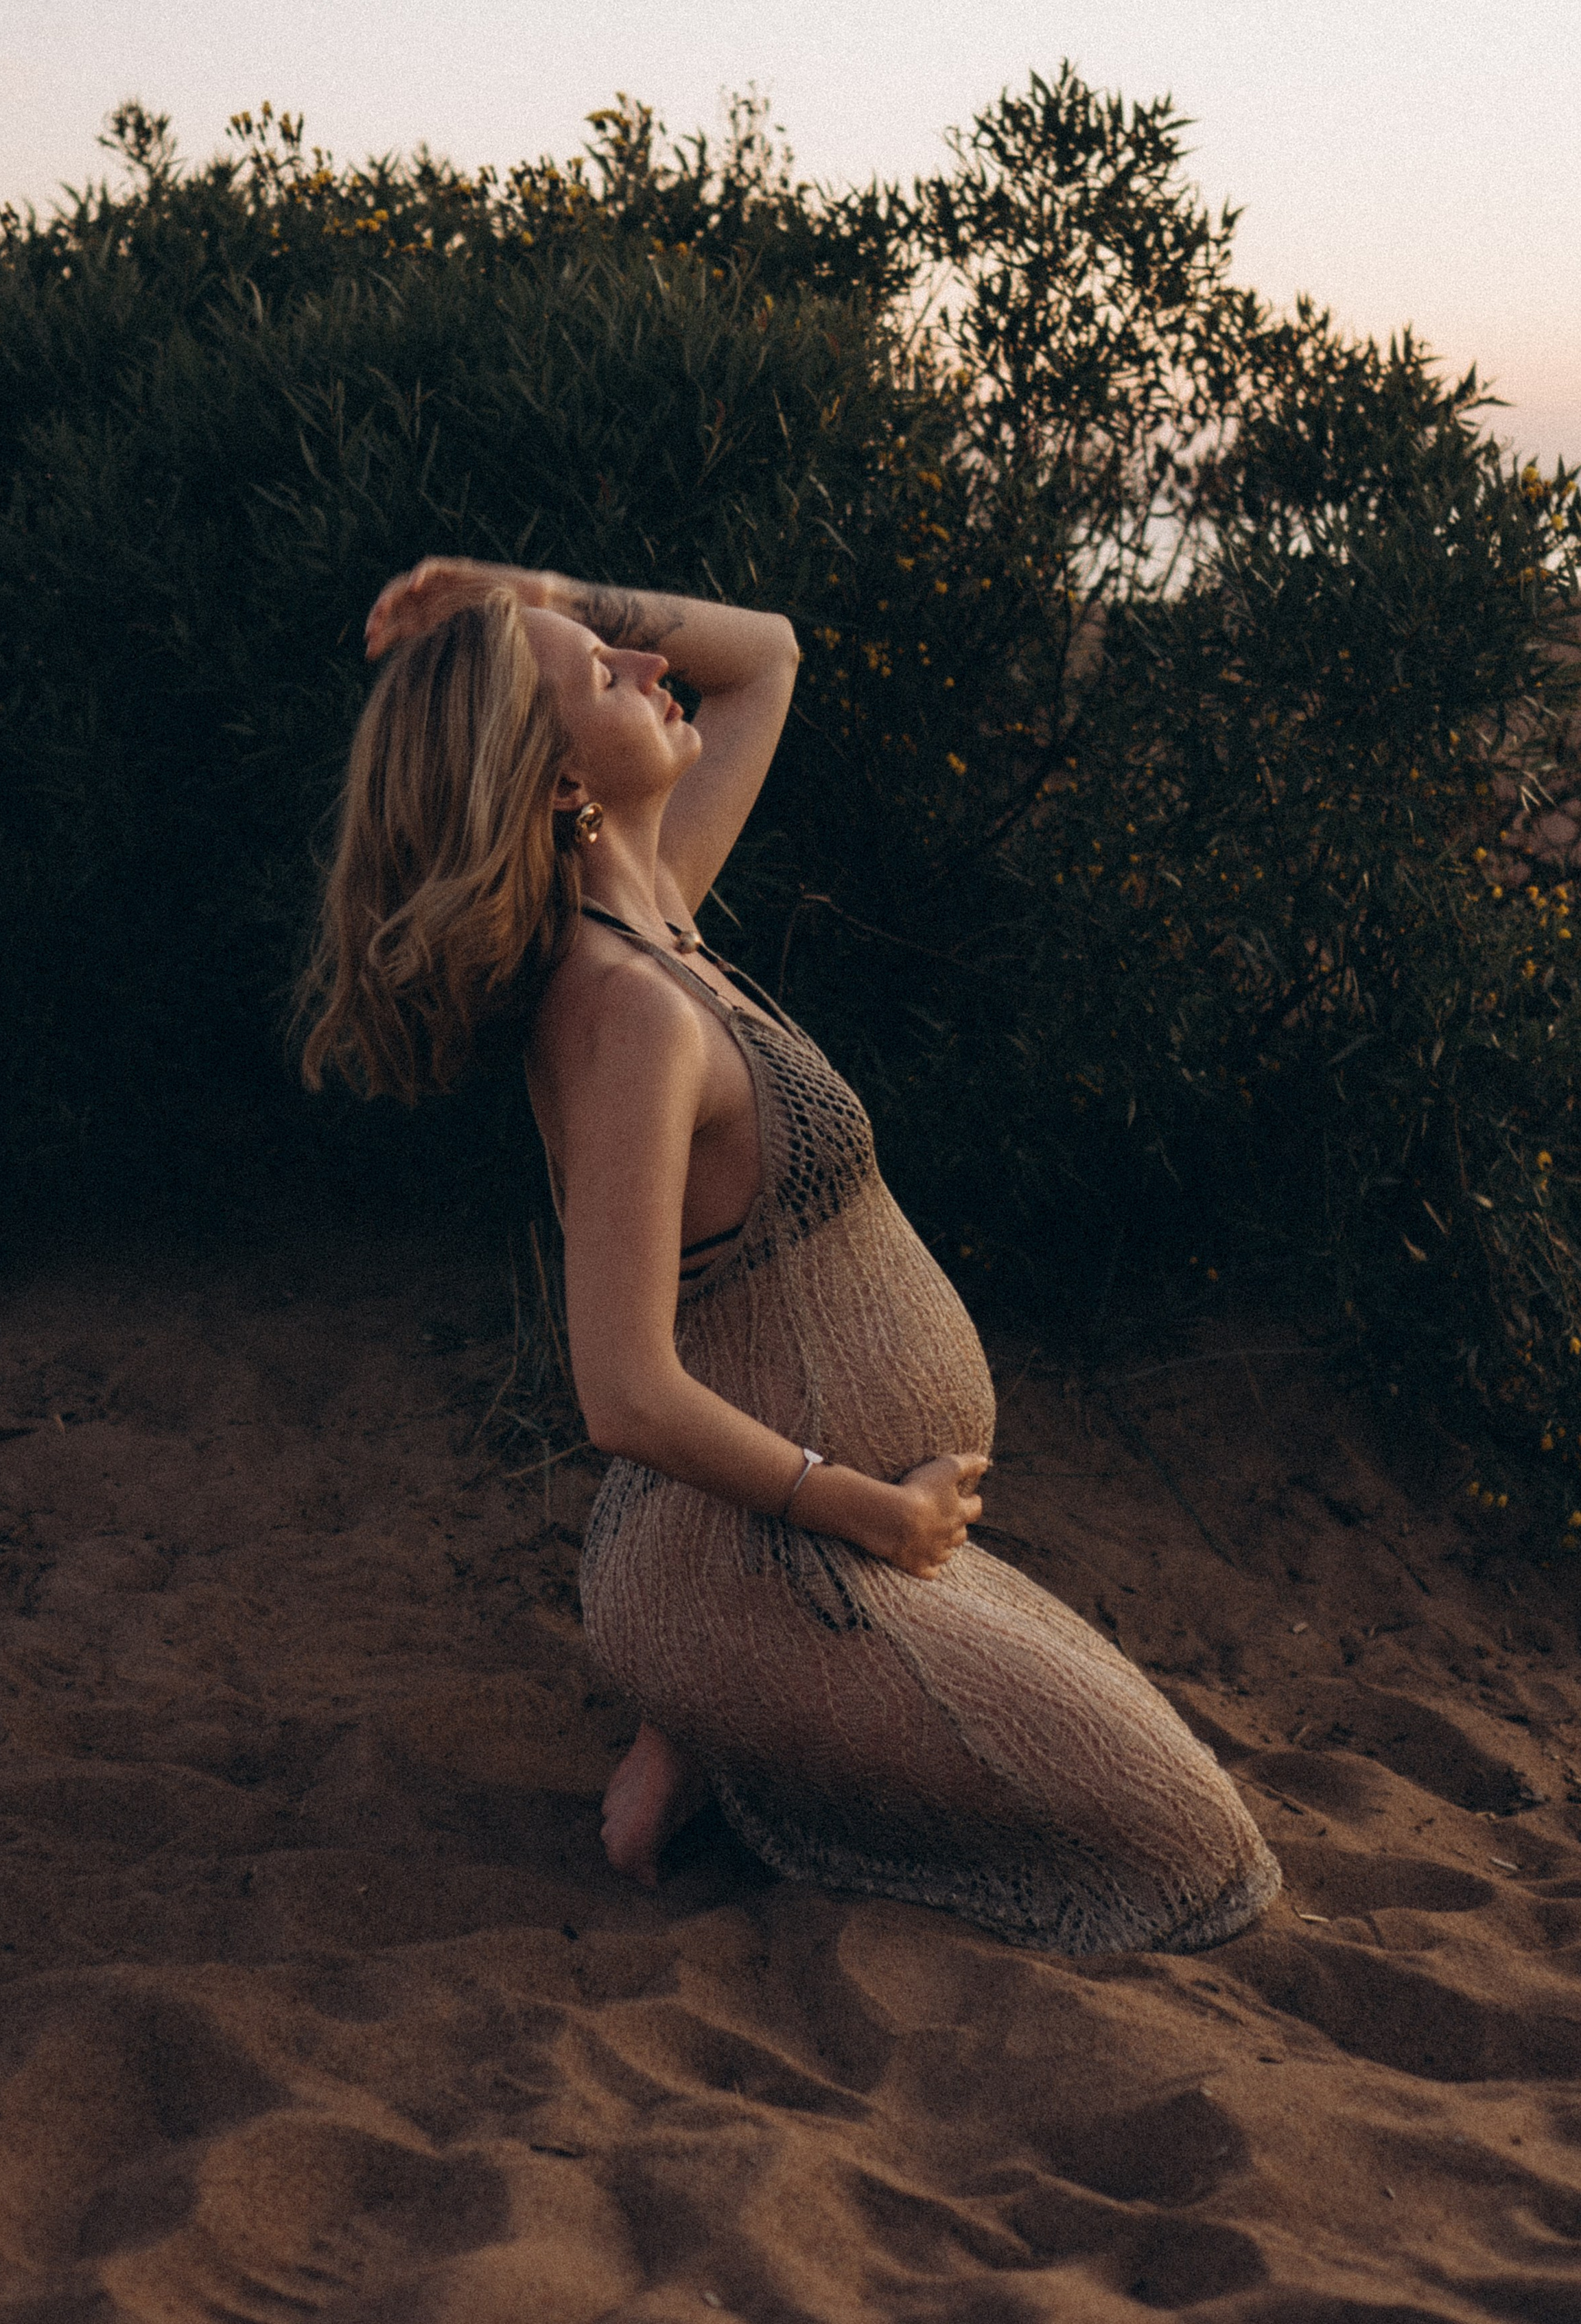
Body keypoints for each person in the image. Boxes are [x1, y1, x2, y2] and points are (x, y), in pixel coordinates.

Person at [300, 557, 1280, 1953]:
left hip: (795, 1543)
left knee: (1163, 1811)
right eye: (602, 677)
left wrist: (542, 591)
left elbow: (762, 656)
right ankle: (724, 1714)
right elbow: (622, 1390)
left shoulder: (659, 916)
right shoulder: (623, 1014)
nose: (649, 666)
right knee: (1197, 1867)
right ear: (556, 781)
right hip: (763, 1554)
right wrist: (869, 1516)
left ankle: (709, 1732)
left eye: (622, 650)